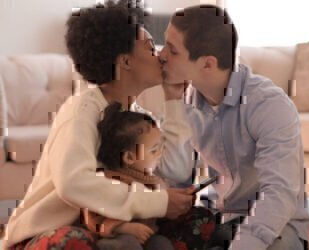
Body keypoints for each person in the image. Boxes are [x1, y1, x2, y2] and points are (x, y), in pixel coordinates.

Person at [4, 1, 195, 249]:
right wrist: (157, 203)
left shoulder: (136, 118)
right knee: (81, 242)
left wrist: (174, 99)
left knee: (196, 221)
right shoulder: (82, 111)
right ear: (126, 62)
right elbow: (73, 182)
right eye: (150, 48)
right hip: (49, 236)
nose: (160, 55)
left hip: (112, 231)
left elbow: (175, 172)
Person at [159, 5, 309, 250]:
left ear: (207, 64)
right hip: (220, 219)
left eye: (173, 50)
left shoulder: (268, 105)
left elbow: (279, 195)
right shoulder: (184, 104)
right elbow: (177, 180)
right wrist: (172, 104)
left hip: (274, 226)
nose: (162, 55)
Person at [82, 101, 173, 250]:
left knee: (161, 243)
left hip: (144, 240)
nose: (160, 153)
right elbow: (92, 218)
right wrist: (122, 228)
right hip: (113, 239)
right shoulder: (109, 181)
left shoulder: (151, 180)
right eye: (154, 150)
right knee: (127, 243)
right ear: (129, 158)